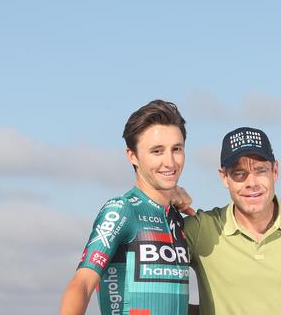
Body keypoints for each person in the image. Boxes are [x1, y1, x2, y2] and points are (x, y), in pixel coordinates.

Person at [184, 127, 281, 315]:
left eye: (260, 170)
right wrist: (167, 194)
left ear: (275, 171)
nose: (252, 183)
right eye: (239, 173)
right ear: (224, 178)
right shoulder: (200, 229)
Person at [60, 100, 192, 315]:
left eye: (176, 149)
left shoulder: (177, 217)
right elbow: (82, 283)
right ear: (132, 156)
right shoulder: (122, 209)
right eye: (157, 151)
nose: (170, 162)